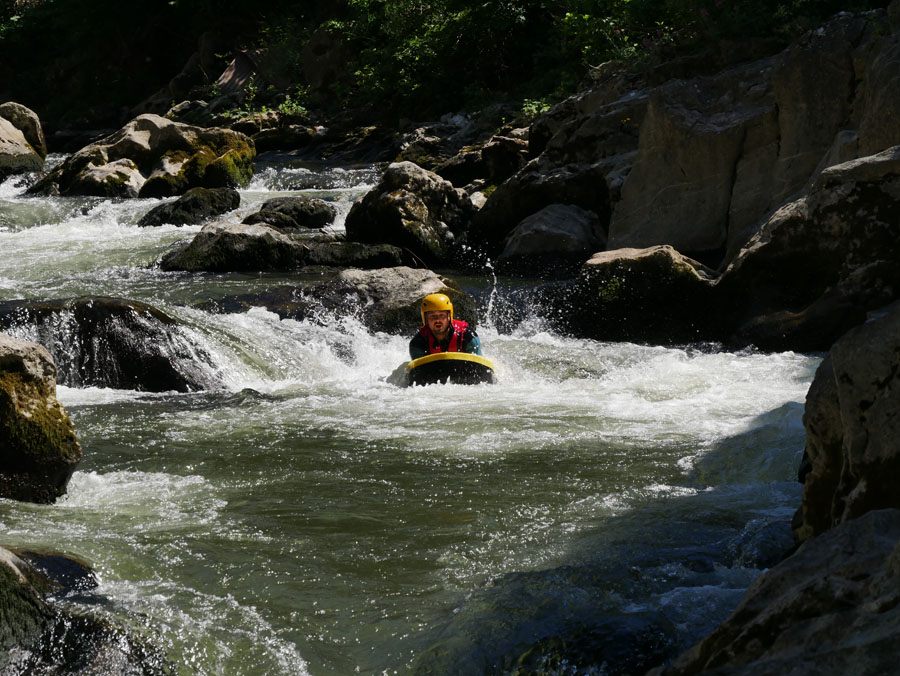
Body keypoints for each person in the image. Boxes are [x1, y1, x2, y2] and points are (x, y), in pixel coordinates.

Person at [409, 293, 482, 359]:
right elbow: (418, 371)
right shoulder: (418, 343)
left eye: (442, 315)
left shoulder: (469, 337)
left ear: (449, 317)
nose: (437, 320)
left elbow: (478, 367)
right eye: (432, 316)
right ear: (426, 319)